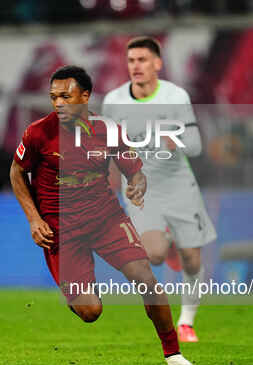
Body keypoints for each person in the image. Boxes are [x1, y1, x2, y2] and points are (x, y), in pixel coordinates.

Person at [10, 65, 192, 365]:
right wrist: (33, 218)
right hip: (60, 229)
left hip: (105, 218)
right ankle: (75, 295)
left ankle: (173, 352)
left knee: (145, 276)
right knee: (90, 312)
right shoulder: (38, 133)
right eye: (54, 97)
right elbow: (17, 171)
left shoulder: (108, 131)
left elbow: (135, 170)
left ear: (85, 96)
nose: (58, 104)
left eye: (65, 97)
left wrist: (136, 184)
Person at [102, 36, 217, 343]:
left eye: (142, 60)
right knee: (152, 255)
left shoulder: (175, 96)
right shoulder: (114, 102)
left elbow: (195, 145)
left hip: (179, 186)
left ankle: (187, 321)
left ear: (157, 64)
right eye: (131, 61)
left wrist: (175, 141)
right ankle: (168, 250)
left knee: (192, 259)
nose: (135, 66)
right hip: (141, 189)